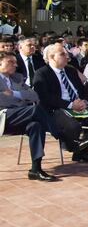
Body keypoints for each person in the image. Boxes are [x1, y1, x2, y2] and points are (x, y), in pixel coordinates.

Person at [33, 44, 88, 163]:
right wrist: (70, 105)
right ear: (51, 57)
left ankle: (87, 149)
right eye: (63, 54)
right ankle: (74, 147)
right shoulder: (42, 73)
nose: (67, 56)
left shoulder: (70, 70)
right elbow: (45, 97)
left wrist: (84, 101)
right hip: (57, 108)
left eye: (67, 53)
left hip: (78, 105)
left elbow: (83, 89)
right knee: (73, 126)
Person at [0, 52, 58, 181]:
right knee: (35, 110)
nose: (15, 65)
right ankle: (61, 135)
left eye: (15, 62)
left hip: (20, 115)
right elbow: (3, 100)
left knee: (36, 126)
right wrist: (21, 97)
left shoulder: (17, 77)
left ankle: (35, 169)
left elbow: (34, 96)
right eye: (11, 62)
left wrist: (13, 93)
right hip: (3, 117)